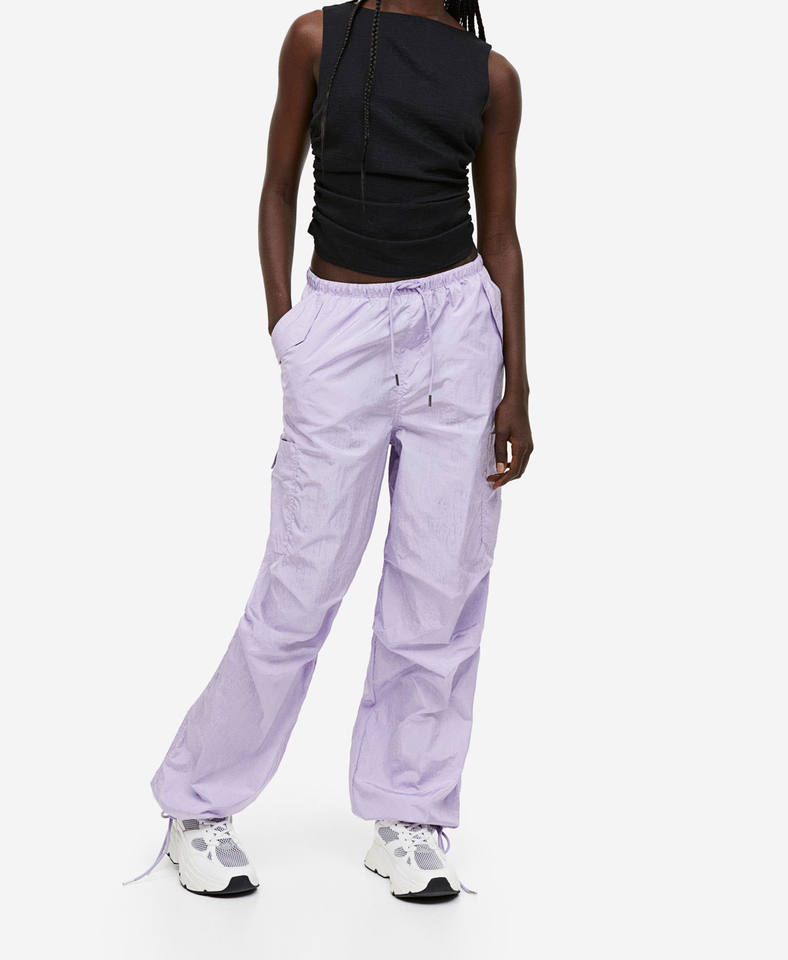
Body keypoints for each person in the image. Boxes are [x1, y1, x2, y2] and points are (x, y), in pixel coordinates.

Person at [127, 0, 532, 902]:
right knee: (299, 585)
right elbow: (278, 187)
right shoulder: (318, 37)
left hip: (459, 337)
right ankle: (196, 804)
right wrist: (287, 329)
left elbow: (500, 236)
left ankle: (409, 814)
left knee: (439, 592)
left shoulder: (491, 75)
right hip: (339, 330)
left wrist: (519, 385)